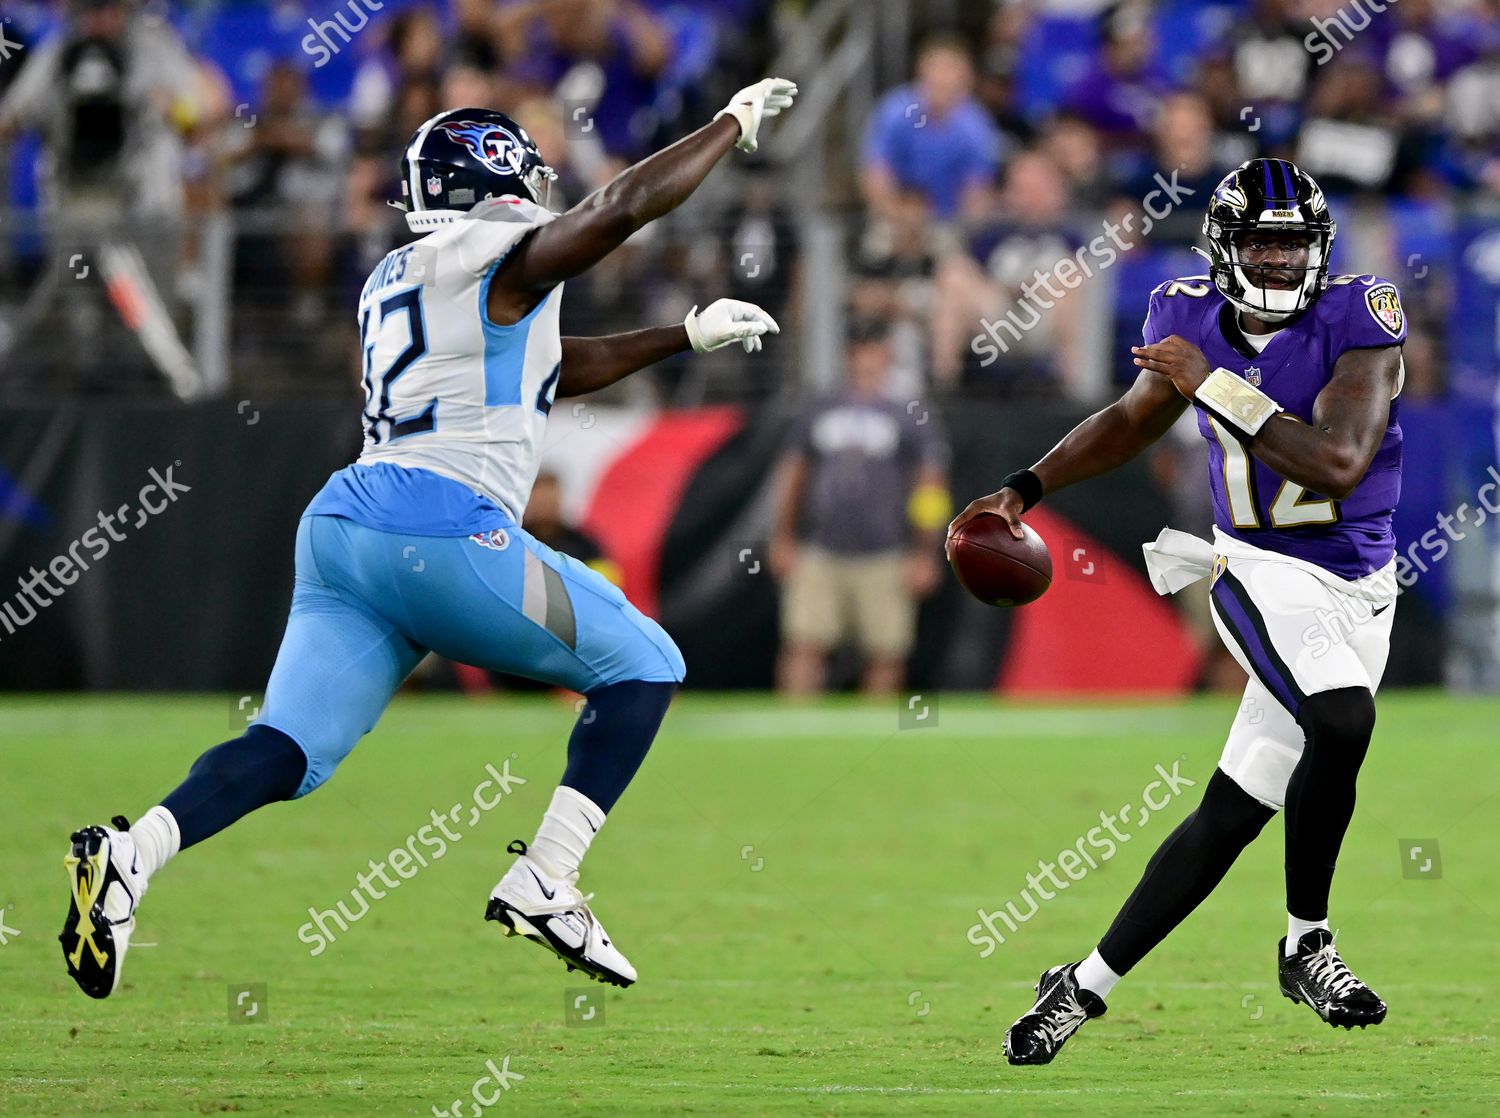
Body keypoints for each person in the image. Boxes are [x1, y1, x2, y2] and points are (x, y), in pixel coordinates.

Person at [60, 78, 798, 998]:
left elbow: (545, 369)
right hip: (440, 527)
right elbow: (620, 209)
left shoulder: (398, 277)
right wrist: (727, 124)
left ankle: (131, 856)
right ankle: (547, 876)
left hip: (344, 528)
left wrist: (681, 334)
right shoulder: (496, 250)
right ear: (497, 174)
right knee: (646, 663)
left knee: (288, 747)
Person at [951, 158, 1407, 1063]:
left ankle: (1080, 986)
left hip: (1363, 585)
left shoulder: (1363, 314)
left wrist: (1212, 383)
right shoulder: (1184, 312)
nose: (1278, 264)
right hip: (1256, 567)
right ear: (1224, 247)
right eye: (1261, 245)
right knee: (1343, 720)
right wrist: (1022, 489)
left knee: (1233, 813)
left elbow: (1336, 462)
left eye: (1293, 246)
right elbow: (1130, 420)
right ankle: (1307, 943)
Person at [771, 318, 950, 695]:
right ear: (849, 356)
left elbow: (929, 486)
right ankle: (793, 736)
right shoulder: (821, 406)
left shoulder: (909, 414)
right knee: (805, 641)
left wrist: (925, 551)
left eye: (875, 350)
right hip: (821, 547)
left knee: (886, 651)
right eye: (859, 350)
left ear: (887, 356)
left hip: (885, 551)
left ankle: (875, 740)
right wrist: (783, 536)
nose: (867, 359)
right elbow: (794, 474)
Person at [859, 34, 1003, 224]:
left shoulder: (977, 126)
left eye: (951, 70)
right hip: (894, 218)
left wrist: (964, 232)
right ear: (921, 71)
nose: (943, 78)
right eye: (937, 68)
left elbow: (978, 190)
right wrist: (893, 218)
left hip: (950, 223)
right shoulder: (894, 111)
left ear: (967, 78)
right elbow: (875, 171)